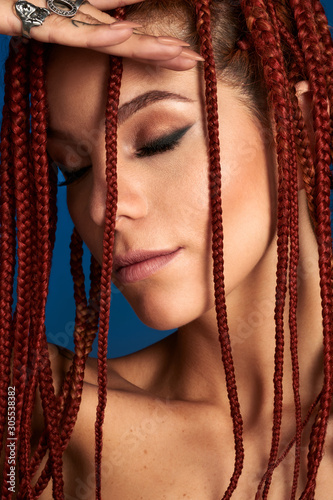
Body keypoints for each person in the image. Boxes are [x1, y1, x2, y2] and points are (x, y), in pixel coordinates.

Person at [0, 0, 332, 498]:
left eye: (158, 141)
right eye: (75, 168)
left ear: (295, 129)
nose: (103, 209)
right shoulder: (39, 418)